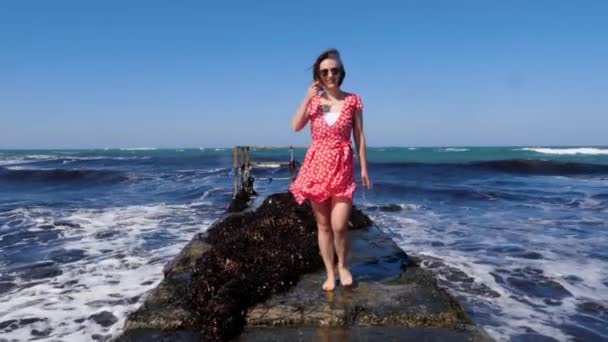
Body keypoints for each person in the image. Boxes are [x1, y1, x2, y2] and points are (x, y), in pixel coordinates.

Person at [289, 48, 372, 291]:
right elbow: (295, 126)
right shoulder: (314, 103)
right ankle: (329, 273)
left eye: (334, 70)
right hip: (317, 168)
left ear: (341, 73)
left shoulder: (352, 100)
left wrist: (365, 168)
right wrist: (306, 98)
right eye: (324, 71)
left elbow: (360, 137)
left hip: (343, 167)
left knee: (339, 225)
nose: (330, 75)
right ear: (318, 76)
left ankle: (343, 265)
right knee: (323, 225)